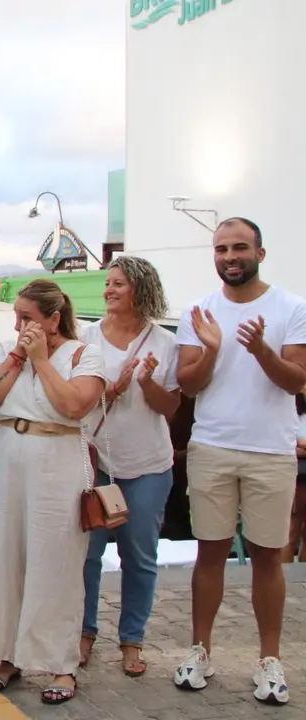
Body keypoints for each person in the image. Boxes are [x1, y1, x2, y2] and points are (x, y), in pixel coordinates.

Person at [173, 217, 304, 705]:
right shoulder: (200, 311)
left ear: (260, 254)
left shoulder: (292, 308)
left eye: (240, 248)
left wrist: (260, 350)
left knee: (269, 556)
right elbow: (188, 384)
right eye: (222, 249)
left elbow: (295, 381)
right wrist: (212, 350)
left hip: (271, 449)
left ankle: (269, 659)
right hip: (212, 447)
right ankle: (199, 650)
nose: (230, 256)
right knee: (210, 553)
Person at [0, 278, 105, 705]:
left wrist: (42, 361)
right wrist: (18, 356)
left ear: (53, 318)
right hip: (10, 454)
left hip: (58, 459)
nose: (19, 326)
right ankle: (8, 656)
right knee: (9, 556)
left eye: (27, 318)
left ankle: (60, 664)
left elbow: (73, 406)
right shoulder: (7, 351)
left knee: (57, 561)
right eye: (16, 317)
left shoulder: (85, 354)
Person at [77, 256, 180, 678]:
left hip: (148, 465)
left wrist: (147, 383)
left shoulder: (164, 342)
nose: (109, 290)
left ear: (140, 289)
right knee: (87, 555)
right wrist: (113, 391)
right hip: (96, 462)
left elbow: (169, 408)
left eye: (118, 283)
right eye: (108, 284)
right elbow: (78, 403)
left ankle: (131, 641)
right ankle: (83, 633)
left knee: (140, 555)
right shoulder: (85, 339)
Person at [285, 392, 306, 563]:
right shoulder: (291, 415)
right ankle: (286, 575)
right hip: (297, 476)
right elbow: (288, 445)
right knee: (293, 528)